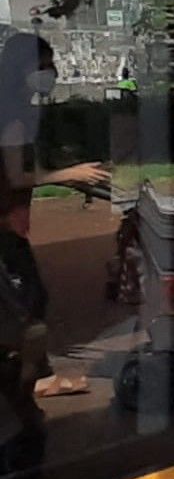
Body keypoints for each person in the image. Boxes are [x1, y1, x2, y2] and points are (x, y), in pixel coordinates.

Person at [0, 33, 106, 400]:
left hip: (10, 224)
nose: (52, 73)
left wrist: (76, 179)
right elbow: (17, 176)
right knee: (28, 301)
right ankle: (35, 379)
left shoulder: (18, 110)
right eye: (43, 66)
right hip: (4, 227)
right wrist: (70, 175)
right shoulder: (11, 115)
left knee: (24, 299)